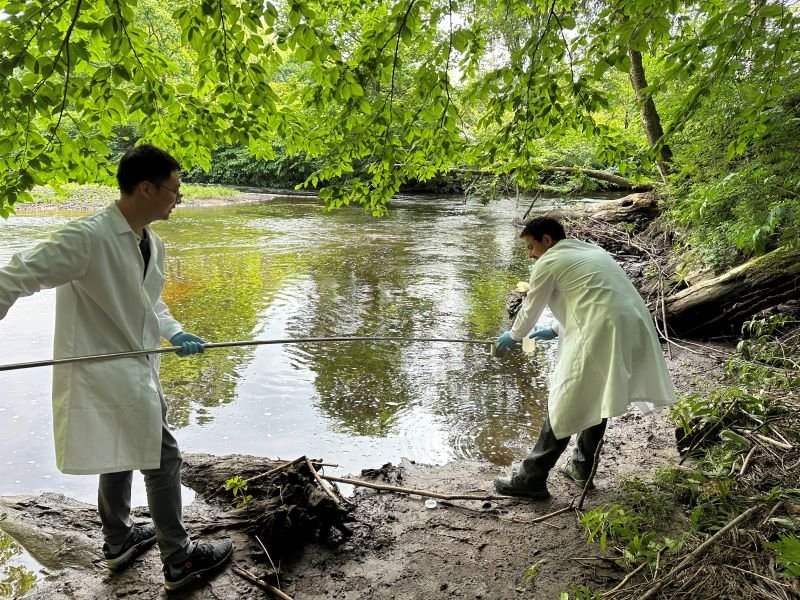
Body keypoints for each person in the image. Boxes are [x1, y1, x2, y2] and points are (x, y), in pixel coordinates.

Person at [0, 144, 233, 590]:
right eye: (174, 190)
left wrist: (174, 331)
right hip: (103, 368)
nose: (178, 199)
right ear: (146, 188)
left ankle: (118, 540)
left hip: (136, 364)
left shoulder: (151, 242)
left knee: (121, 447)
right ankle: (179, 559)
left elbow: (148, 302)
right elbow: (15, 274)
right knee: (164, 458)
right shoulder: (87, 237)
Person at [494, 216, 676, 498]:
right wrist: (554, 328)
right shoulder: (590, 251)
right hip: (632, 324)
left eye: (531, 247)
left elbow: (530, 308)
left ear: (547, 240)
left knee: (566, 396)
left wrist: (514, 335)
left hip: (602, 329)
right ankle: (581, 467)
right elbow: (592, 295)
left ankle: (531, 477)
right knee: (597, 393)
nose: (530, 256)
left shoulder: (549, 261)